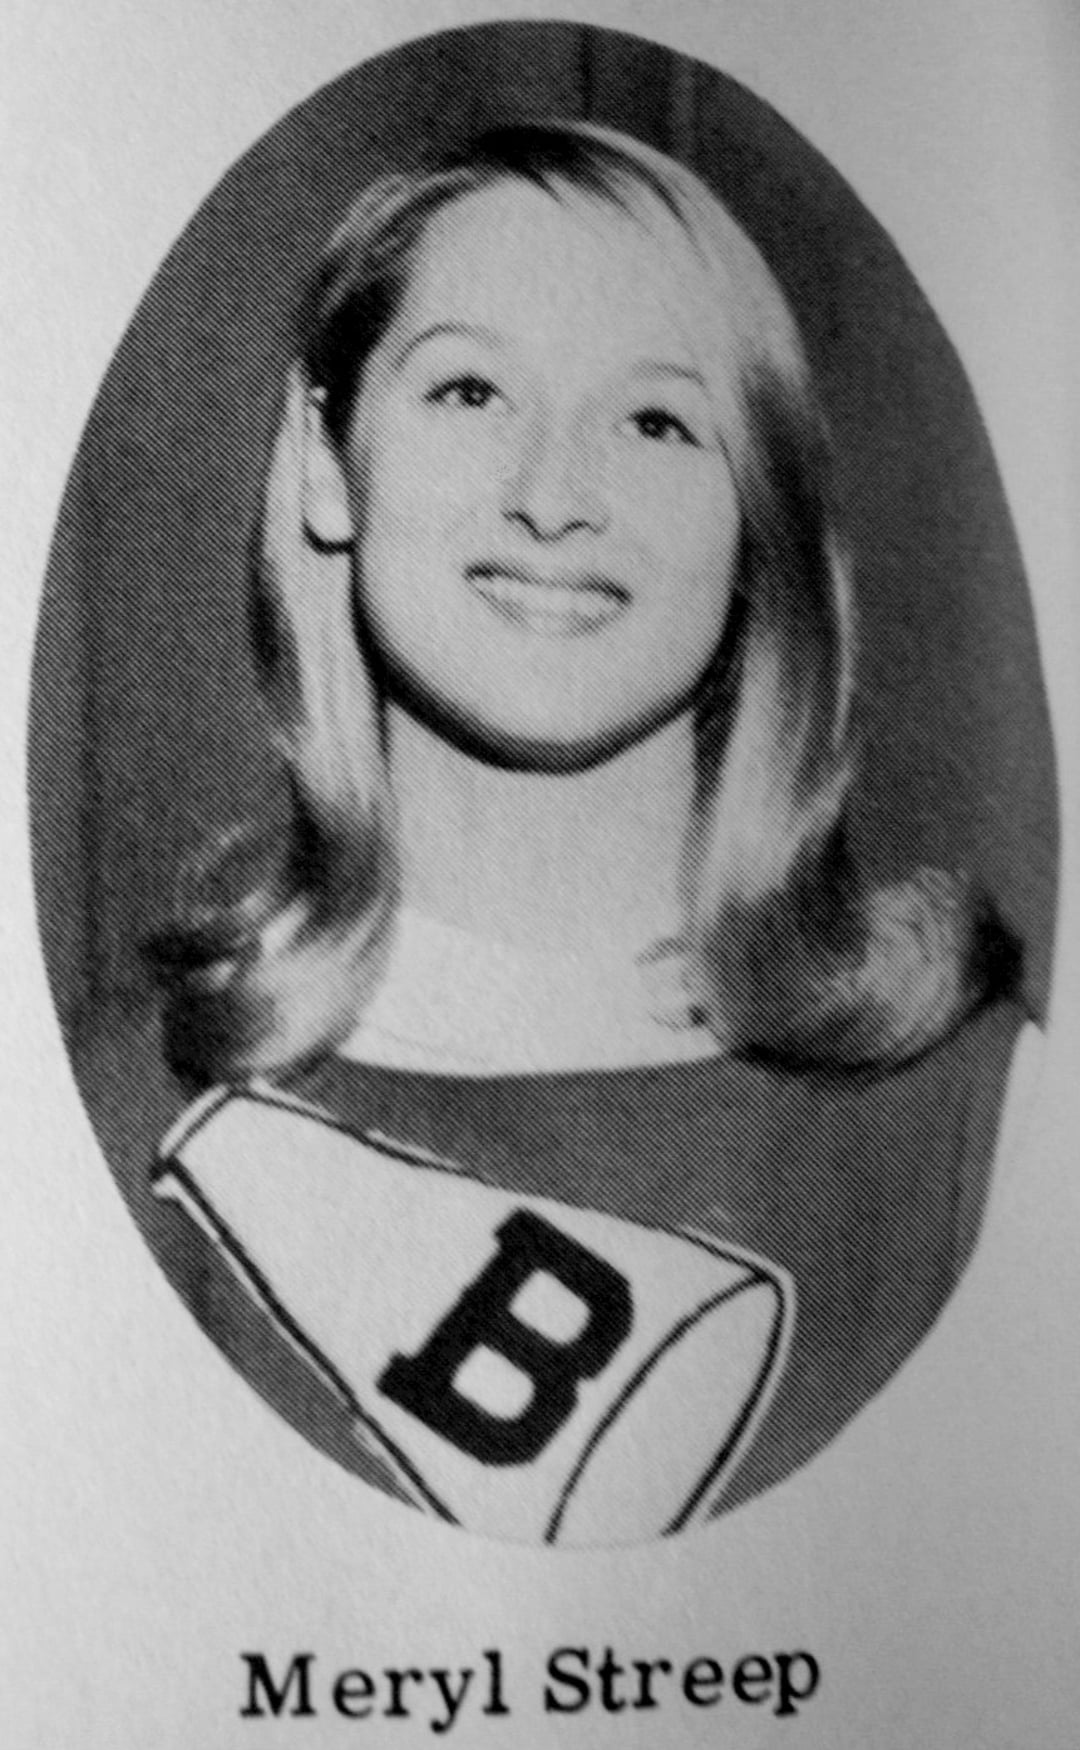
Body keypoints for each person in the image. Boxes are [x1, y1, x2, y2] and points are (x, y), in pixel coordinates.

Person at [125, 121, 1023, 1545]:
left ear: (761, 510)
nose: (554, 495)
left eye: (658, 420)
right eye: (471, 389)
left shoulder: (995, 1123)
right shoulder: (109, 1126)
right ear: (323, 458)